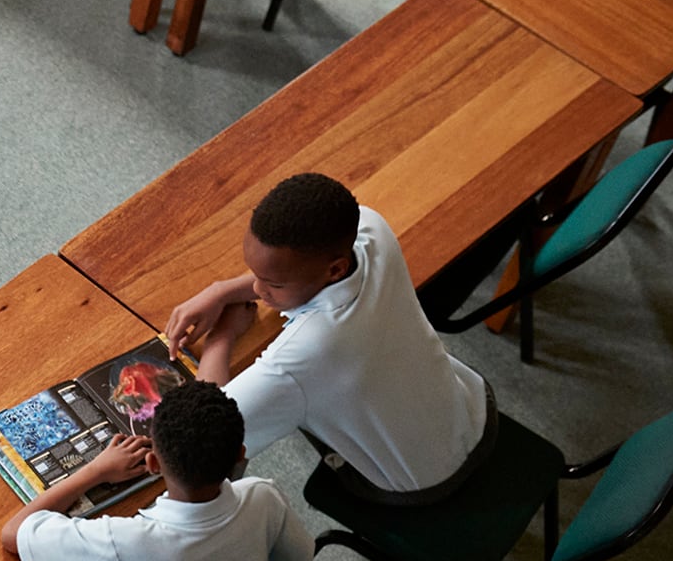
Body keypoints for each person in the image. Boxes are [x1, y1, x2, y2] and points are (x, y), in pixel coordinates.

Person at [164, 172, 495, 505]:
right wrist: (221, 291)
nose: (256, 290)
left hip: (419, 482)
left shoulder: (303, 356)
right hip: (471, 407)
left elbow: (198, 430)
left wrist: (223, 336)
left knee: (212, 466)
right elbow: (290, 266)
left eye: (273, 285)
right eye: (256, 274)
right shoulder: (370, 228)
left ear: (335, 270)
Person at [2, 381, 315, 561]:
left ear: (152, 463)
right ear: (240, 454)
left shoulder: (125, 542)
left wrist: (96, 470)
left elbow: (14, 533)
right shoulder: (263, 496)